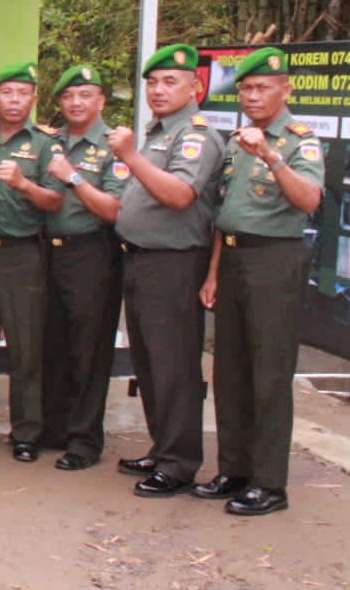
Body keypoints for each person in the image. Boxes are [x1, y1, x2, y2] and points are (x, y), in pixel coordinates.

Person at [196, 47, 324, 515]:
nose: (252, 96)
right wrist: (213, 273)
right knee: (229, 371)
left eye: (262, 88)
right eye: (246, 88)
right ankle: (234, 468)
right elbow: (224, 214)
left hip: (274, 260)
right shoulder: (235, 141)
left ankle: (270, 483)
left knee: (268, 375)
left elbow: (308, 199)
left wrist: (271, 156)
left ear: (284, 89)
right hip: (231, 260)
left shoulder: (298, 141)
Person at [110, 43, 223, 497]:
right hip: (142, 259)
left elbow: (179, 196)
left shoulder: (195, 135)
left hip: (174, 262)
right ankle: (163, 448)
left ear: (194, 86)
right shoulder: (159, 133)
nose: (158, 89)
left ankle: (178, 464)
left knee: (173, 364)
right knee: (151, 364)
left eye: (170, 81)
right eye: (152, 82)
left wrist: (129, 156)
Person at [0, 62, 66, 460]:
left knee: (26, 345)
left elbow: (56, 201)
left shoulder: (46, 144)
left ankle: (26, 431)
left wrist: (23, 183)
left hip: (23, 254)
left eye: (23, 94)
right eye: (7, 92)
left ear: (33, 100)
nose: (15, 100)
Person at [40, 65, 126, 471]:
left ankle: (85, 440)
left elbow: (115, 210)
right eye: (69, 96)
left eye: (86, 95)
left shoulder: (114, 147)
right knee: (52, 343)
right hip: (44, 252)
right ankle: (53, 427)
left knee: (88, 349)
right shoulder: (48, 141)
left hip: (91, 252)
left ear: (101, 101)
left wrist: (72, 177)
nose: (76, 103)